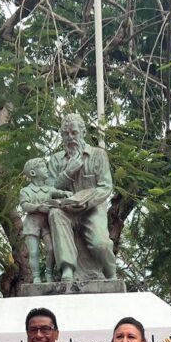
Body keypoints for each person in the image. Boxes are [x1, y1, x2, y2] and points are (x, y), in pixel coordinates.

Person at [45, 113, 118, 281]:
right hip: (66, 209)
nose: (70, 137)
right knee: (55, 214)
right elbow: (50, 189)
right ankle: (67, 269)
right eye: (66, 134)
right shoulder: (56, 160)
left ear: (83, 132)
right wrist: (68, 172)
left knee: (101, 243)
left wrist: (85, 203)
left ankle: (111, 272)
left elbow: (105, 186)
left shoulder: (98, 155)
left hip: (92, 208)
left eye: (74, 132)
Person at [19, 157, 71, 283]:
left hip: (46, 224)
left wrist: (66, 194)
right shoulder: (26, 190)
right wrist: (37, 207)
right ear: (33, 173)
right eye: (42, 167)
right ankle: (36, 276)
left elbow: (58, 192)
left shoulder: (48, 189)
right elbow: (24, 205)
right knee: (34, 251)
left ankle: (49, 273)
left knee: (52, 248)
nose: (46, 169)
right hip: (32, 224)